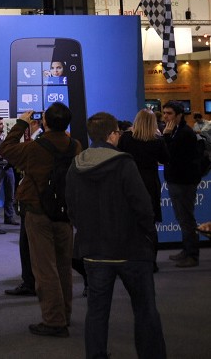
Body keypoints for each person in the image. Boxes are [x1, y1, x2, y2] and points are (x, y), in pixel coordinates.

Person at [65, 112, 167, 359]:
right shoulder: (124, 163)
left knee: (97, 312)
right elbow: (143, 207)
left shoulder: (76, 165)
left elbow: (72, 208)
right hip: (132, 249)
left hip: (94, 251)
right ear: (113, 134)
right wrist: (148, 237)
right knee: (145, 310)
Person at [0, 102, 81, 338]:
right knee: (64, 266)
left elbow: (6, 149)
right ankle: (64, 314)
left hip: (38, 211)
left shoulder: (35, 148)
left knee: (45, 269)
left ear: (45, 122)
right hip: (65, 212)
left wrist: (21, 124)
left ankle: (54, 321)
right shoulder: (75, 146)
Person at [161, 101, 202, 268]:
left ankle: (192, 254)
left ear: (179, 115)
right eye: (164, 113)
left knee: (186, 219)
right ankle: (187, 250)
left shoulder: (184, 133)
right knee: (182, 217)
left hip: (183, 182)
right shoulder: (177, 131)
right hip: (177, 180)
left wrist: (166, 136)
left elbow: (169, 155)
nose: (165, 116)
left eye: (169, 113)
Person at [118, 110, 169, 224]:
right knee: (150, 217)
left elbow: (119, 157)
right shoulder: (157, 140)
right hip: (150, 181)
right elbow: (165, 159)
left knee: (131, 217)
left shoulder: (126, 138)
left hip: (130, 179)